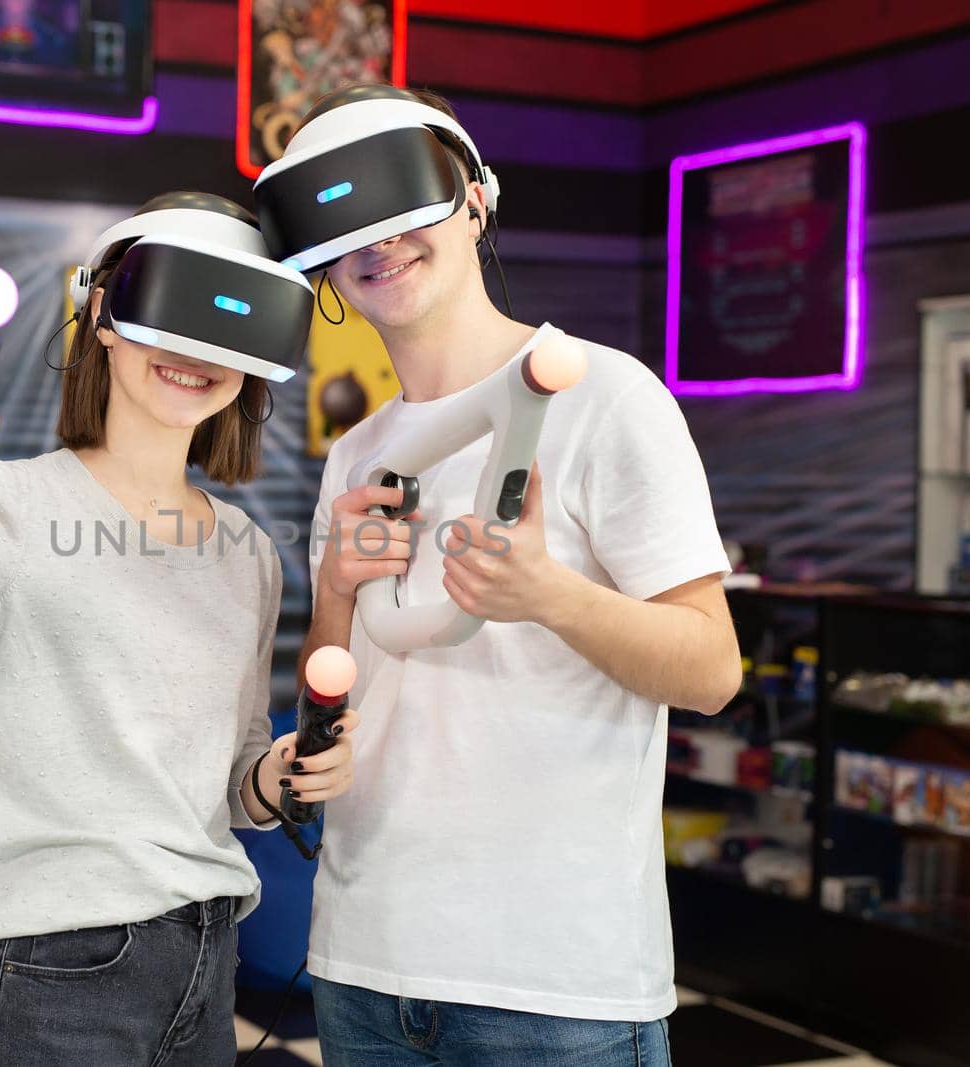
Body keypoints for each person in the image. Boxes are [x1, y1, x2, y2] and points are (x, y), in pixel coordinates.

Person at [0, 192, 359, 1065]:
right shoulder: (7, 507)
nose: (191, 353)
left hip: (207, 967)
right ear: (102, 314)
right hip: (48, 971)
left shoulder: (250, 552)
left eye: (226, 324)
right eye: (169, 310)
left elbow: (230, 789)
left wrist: (283, 773)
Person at [280, 86, 741, 1065]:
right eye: (344, 221)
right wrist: (331, 593)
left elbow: (711, 669)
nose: (381, 240)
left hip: (553, 983)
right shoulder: (354, 453)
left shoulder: (607, 395)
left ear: (475, 199)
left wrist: (550, 595)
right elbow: (333, 705)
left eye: (407, 202)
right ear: (324, 264)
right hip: (363, 966)